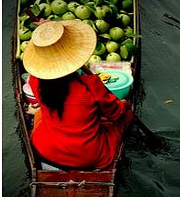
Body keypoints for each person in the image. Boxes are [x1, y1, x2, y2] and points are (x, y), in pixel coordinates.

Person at [23, 20, 134, 170]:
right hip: (88, 156)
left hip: (46, 149)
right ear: (73, 55)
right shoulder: (90, 85)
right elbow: (115, 113)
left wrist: (51, 28)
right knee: (127, 116)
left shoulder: (35, 79)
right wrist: (124, 104)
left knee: (39, 114)